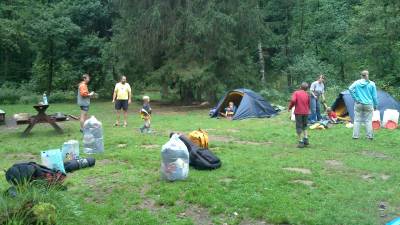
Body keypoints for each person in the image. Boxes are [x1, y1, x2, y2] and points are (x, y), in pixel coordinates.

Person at [349, 70, 378, 140]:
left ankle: (355, 136)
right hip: (368, 104)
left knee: (357, 120)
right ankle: (369, 137)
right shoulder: (372, 84)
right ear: (368, 75)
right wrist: (375, 105)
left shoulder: (357, 82)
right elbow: (374, 96)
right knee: (368, 121)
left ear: (361, 75)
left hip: (358, 104)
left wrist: (356, 98)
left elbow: (350, 89)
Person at [288, 82, 310, 148]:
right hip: (306, 112)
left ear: (300, 87)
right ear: (307, 89)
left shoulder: (296, 93)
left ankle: (301, 142)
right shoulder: (307, 94)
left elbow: (293, 100)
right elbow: (309, 104)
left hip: (299, 112)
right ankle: (306, 139)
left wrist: (290, 107)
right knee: (305, 125)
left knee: (299, 126)